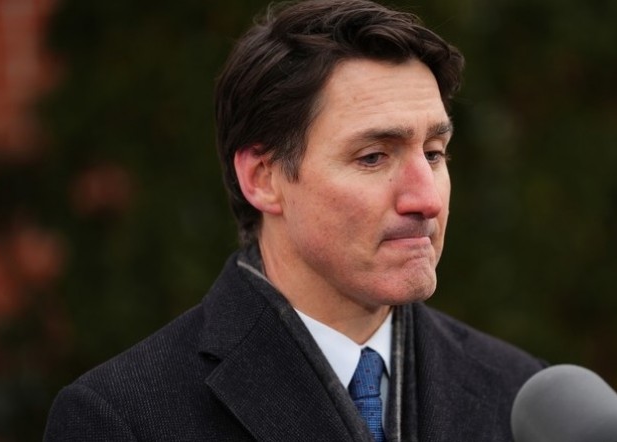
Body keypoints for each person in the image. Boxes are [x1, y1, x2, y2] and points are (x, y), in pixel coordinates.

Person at [44, 0, 545, 440]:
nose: (426, 199)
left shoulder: (521, 398)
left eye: (434, 153)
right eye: (373, 157)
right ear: (262, 179)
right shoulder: (122, 420)